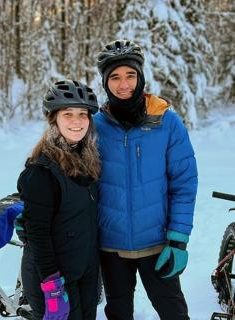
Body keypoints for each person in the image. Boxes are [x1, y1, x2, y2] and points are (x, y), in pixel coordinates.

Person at [94, 39, 198, 320]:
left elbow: (184, 183)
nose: (123, 83)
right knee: (118, 313)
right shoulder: (94, 125)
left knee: (174, 312)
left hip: (157, 243)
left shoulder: (166, 122)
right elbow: (68, 173)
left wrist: (178, 239)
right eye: (114, 77)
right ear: (105, 82)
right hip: (110, 246)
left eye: (130, 75)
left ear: (140, 77)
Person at [17, 80, 100, 320]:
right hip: (53, 279)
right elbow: (37, 233)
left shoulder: (89, 163)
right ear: (54, 119)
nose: (77, 121)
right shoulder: (41, 171)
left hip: (85, 274)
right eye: (68, 114)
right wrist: (52, 286)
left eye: (82, 114)